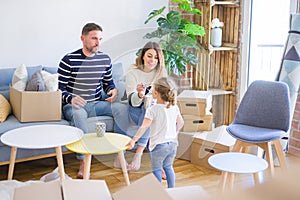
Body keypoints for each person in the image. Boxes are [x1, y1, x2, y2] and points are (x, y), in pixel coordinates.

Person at [57, 22, 127, 178]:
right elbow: (59, 89)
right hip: (74, 106)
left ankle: (118, 155)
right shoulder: (68, 60)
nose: (98, 43)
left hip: (96, 103)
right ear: (83, 38)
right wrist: (71, 98)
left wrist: (112, 91)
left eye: (100, 39)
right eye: (94, 38)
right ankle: (83, 161)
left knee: (121, 109)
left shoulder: (104, 59)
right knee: (79, 115)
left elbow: (108, 83)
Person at [126, 77, 184, 188]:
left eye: (152, 89)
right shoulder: (174, 107)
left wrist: (134, 140)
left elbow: (143, 127)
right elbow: (181, 123)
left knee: (157, 169)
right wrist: (175, 134)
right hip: (173, 144)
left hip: (159, 146)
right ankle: (172, 190)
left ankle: (158, 193)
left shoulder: (152, 110)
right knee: (168, 167)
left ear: (156, 93)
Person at [124, 41, 167, 171]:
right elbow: (132, 102)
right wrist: (139, 95)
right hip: (135, 110)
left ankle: (161, 164)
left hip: (152, 111)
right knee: (151, 112)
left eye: (156, 57)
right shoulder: (133, 71)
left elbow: (164, 95)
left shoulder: (161, 72)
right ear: (143, 55)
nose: (152, 60)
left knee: (156, 114)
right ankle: (140, 153)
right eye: (149, 56)